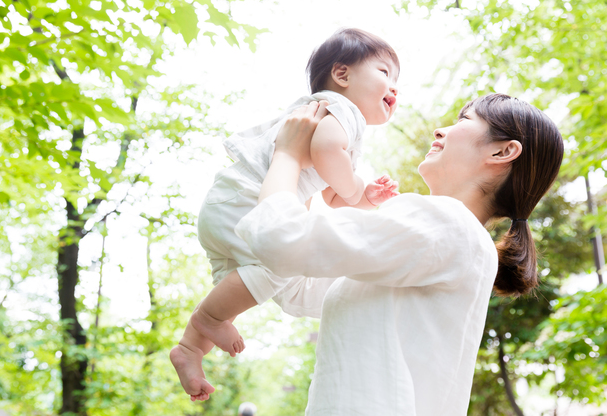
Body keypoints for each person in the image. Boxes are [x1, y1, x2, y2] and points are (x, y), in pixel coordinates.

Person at [233, 94, 564, 415]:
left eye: (464, 119)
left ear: (503, 151)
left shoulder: (448, 223)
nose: (440, 130)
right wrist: (308, 179)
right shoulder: (453, 239)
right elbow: (297, 290)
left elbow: (279, 237)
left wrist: (288, 155)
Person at [170, 28, 400, 401]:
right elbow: (327, 150)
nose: (394, 88)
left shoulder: (328, 117)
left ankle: (190, 348)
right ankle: (208, 320)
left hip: (230, 204)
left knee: (238, 286)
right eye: (385, 73)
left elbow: (331, 195)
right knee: (283, 263)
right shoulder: (343, 110)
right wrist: (358, 187)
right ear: (342, 75)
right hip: (246, 203)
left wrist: (364, 197)